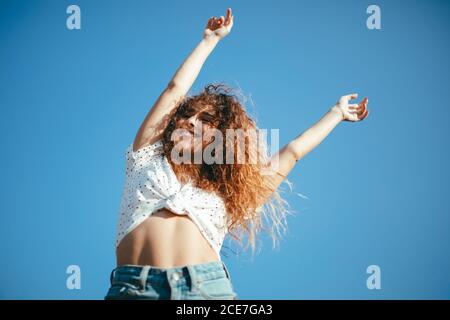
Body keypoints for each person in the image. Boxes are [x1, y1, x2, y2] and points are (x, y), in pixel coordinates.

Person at [104, 7, 369, 300]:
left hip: (207, 289)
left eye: (205, 121)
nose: (191, 121)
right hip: (135, 289)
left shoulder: (227, 195)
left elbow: (293, 152)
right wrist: (210, 40)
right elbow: (174, 90)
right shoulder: (146, 158)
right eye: (188, 115)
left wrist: (336, 114)